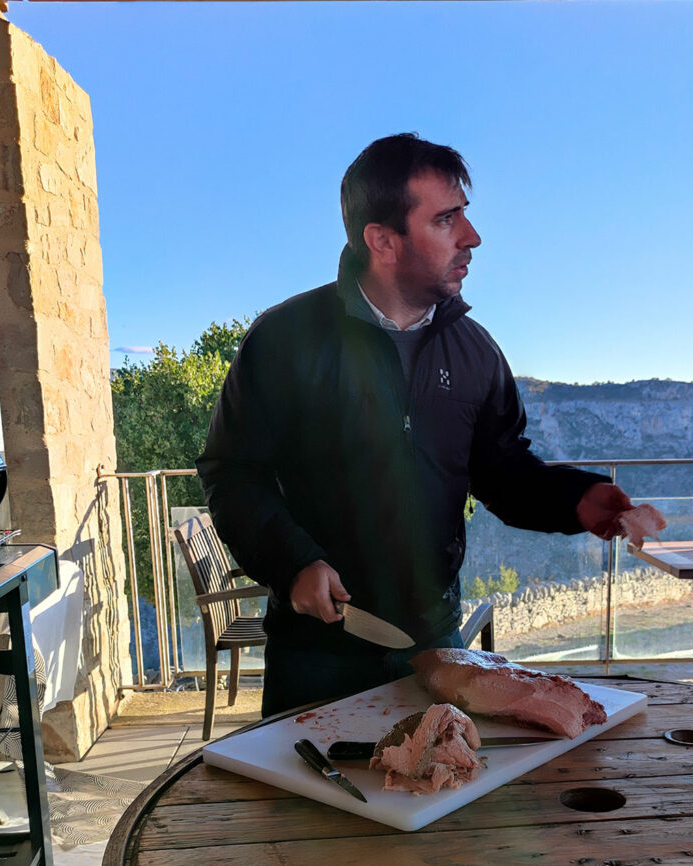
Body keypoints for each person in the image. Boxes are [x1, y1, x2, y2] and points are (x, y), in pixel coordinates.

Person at [197, 133, 645, 717]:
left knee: (444, 794)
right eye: (446, 219)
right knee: (311, 807)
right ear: (382, 240)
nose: (472, 237)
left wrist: (577, 499)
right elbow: (232, 474)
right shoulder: (284, 341)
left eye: (465, 216)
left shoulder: (476, 353)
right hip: (315, 654)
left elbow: (504, 472)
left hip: (437, 643)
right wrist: (294, 562)